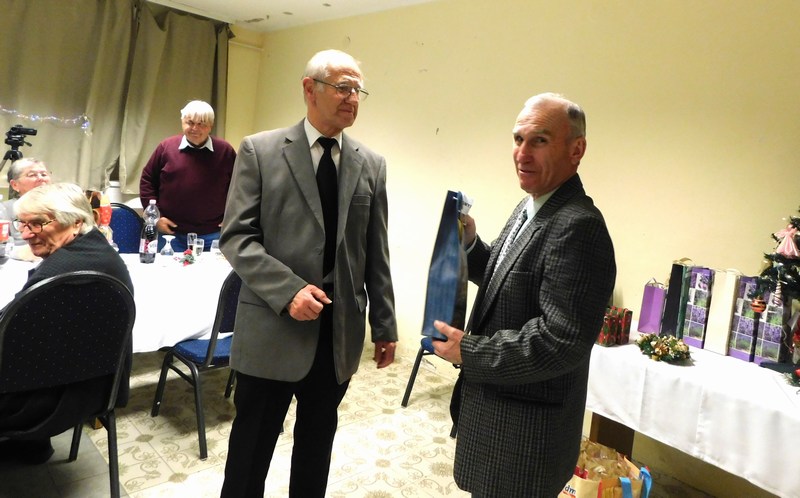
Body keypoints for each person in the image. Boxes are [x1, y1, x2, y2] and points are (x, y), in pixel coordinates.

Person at [219, 49, 397, 498]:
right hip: (272, 325)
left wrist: (385, 325)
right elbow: (237, 238)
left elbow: (375, 251)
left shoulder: (371, 164)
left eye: (358, 90)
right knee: (250, 452)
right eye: (343, 87)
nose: (352, 98)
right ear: (309, 89)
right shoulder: (260, 151)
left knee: (316, 448)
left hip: (337, 332)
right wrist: (289, 291)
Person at [432, 93, 617, 497]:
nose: (522, 153)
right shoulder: (531, 206)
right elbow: (508, 278)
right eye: (518, 139)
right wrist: (470, 245)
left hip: (525, 436)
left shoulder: (579, 226)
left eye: (540, 141)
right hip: (497, 418)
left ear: (576, 150)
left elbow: (560, 341)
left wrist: (470, 351)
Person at [0, 182, 134, 465]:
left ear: (75, 222)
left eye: (37, 223)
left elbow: (7, 337)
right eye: (22, 223)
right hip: (99, 388)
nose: (26, 233)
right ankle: (32, 447)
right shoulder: (99, 251)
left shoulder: (60, 276)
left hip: (51, 399)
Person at [139, 100, 236, 253]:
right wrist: (156, 219)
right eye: (190, 122)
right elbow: (147, 181)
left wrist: (233, 216)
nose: (195, 128)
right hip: (171, 234)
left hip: (214, 235)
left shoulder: (225, 151)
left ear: (210, 126)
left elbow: (240, 187)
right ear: (182, 122)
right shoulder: (166, 147)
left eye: (201, 124)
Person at [2, 158, 52, 246]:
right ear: (15, 185)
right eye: (32, 175)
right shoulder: (4, 210)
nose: (40, 178)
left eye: (44, 174)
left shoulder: (62, 206)